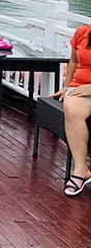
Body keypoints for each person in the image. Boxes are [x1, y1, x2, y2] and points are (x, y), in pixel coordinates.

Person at [50, 23, 91, 196]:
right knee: (72, 110)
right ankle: (81, 169)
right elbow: (73, 61)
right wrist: (66, 86)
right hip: (80, 87)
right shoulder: (83, 32)